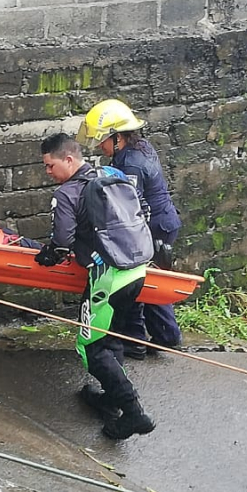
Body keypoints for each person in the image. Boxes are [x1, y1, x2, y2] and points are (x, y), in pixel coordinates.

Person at [37, 132, 156, 439]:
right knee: (110, 336)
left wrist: (48, 255)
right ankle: (112, 398)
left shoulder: (67, 194)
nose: (48, 173)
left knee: (90, 345)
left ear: (68, 159)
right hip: (137, 268)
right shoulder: (112, 173)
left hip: (109, 276)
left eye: (50, 166)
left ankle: (133, 413)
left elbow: (62, 242)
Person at [76, 99, 183, 359]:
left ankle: (152, 338)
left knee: (145, 281)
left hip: (153, 227)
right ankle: (165, 336)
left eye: (102, 140)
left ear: (117, 137)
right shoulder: (139, 149)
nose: (100, 146)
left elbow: (128, 203)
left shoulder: (131, 164)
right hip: (161, 222)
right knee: (151, 281)